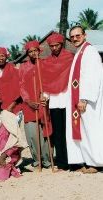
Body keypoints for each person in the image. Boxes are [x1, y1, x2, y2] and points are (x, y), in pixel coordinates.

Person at [65, 25, 103, 173]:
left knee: (91, 129)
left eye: (78, 35)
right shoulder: (80, 52)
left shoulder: (90, 52)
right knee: (84, 130)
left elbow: (92, 77)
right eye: (72, 36)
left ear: (85, 35)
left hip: (88, 101)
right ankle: (88, 161)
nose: (75, 38)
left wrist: (84, 99)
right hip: (80, 99)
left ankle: (96, 163)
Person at [42, 33, 74, 171]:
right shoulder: (47, 62)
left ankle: (74, 160)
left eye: (57, 45)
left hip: (68, 99)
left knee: (70, 132)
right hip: (54, 100)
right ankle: (61, 162)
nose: (55, 48)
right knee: (58, 133)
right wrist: (44, 95)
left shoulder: (70, 58)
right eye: (52, 46)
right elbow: (46, 80)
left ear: (62, 44)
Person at [19, 41, 52, 168]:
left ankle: (47, 159)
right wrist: (28, 101)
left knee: (44, 132)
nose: (33, 53)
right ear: (28, 54)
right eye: (30, 51)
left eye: (35, 50)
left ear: (39, 51)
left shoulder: (45, 65)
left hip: (43, 102)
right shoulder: (23, 67)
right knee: (32, 133)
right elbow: (21, 86)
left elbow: (49, 82)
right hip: (29, 105)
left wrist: (46, 96)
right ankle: (37, 159)